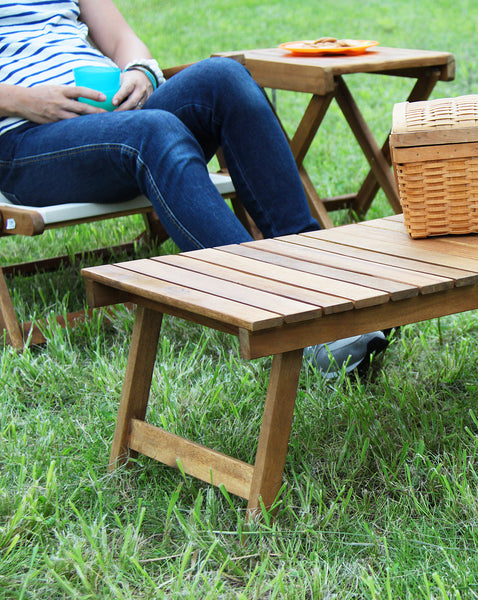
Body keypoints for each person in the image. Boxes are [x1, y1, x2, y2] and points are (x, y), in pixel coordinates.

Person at [0, 0, 388, 377]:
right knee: (154, 131)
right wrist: (24, 100)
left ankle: (323, 281)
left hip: (112, 114)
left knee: (225, 77)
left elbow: (121, 40)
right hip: (24, 138)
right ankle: (290, 323)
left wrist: (140, 72)